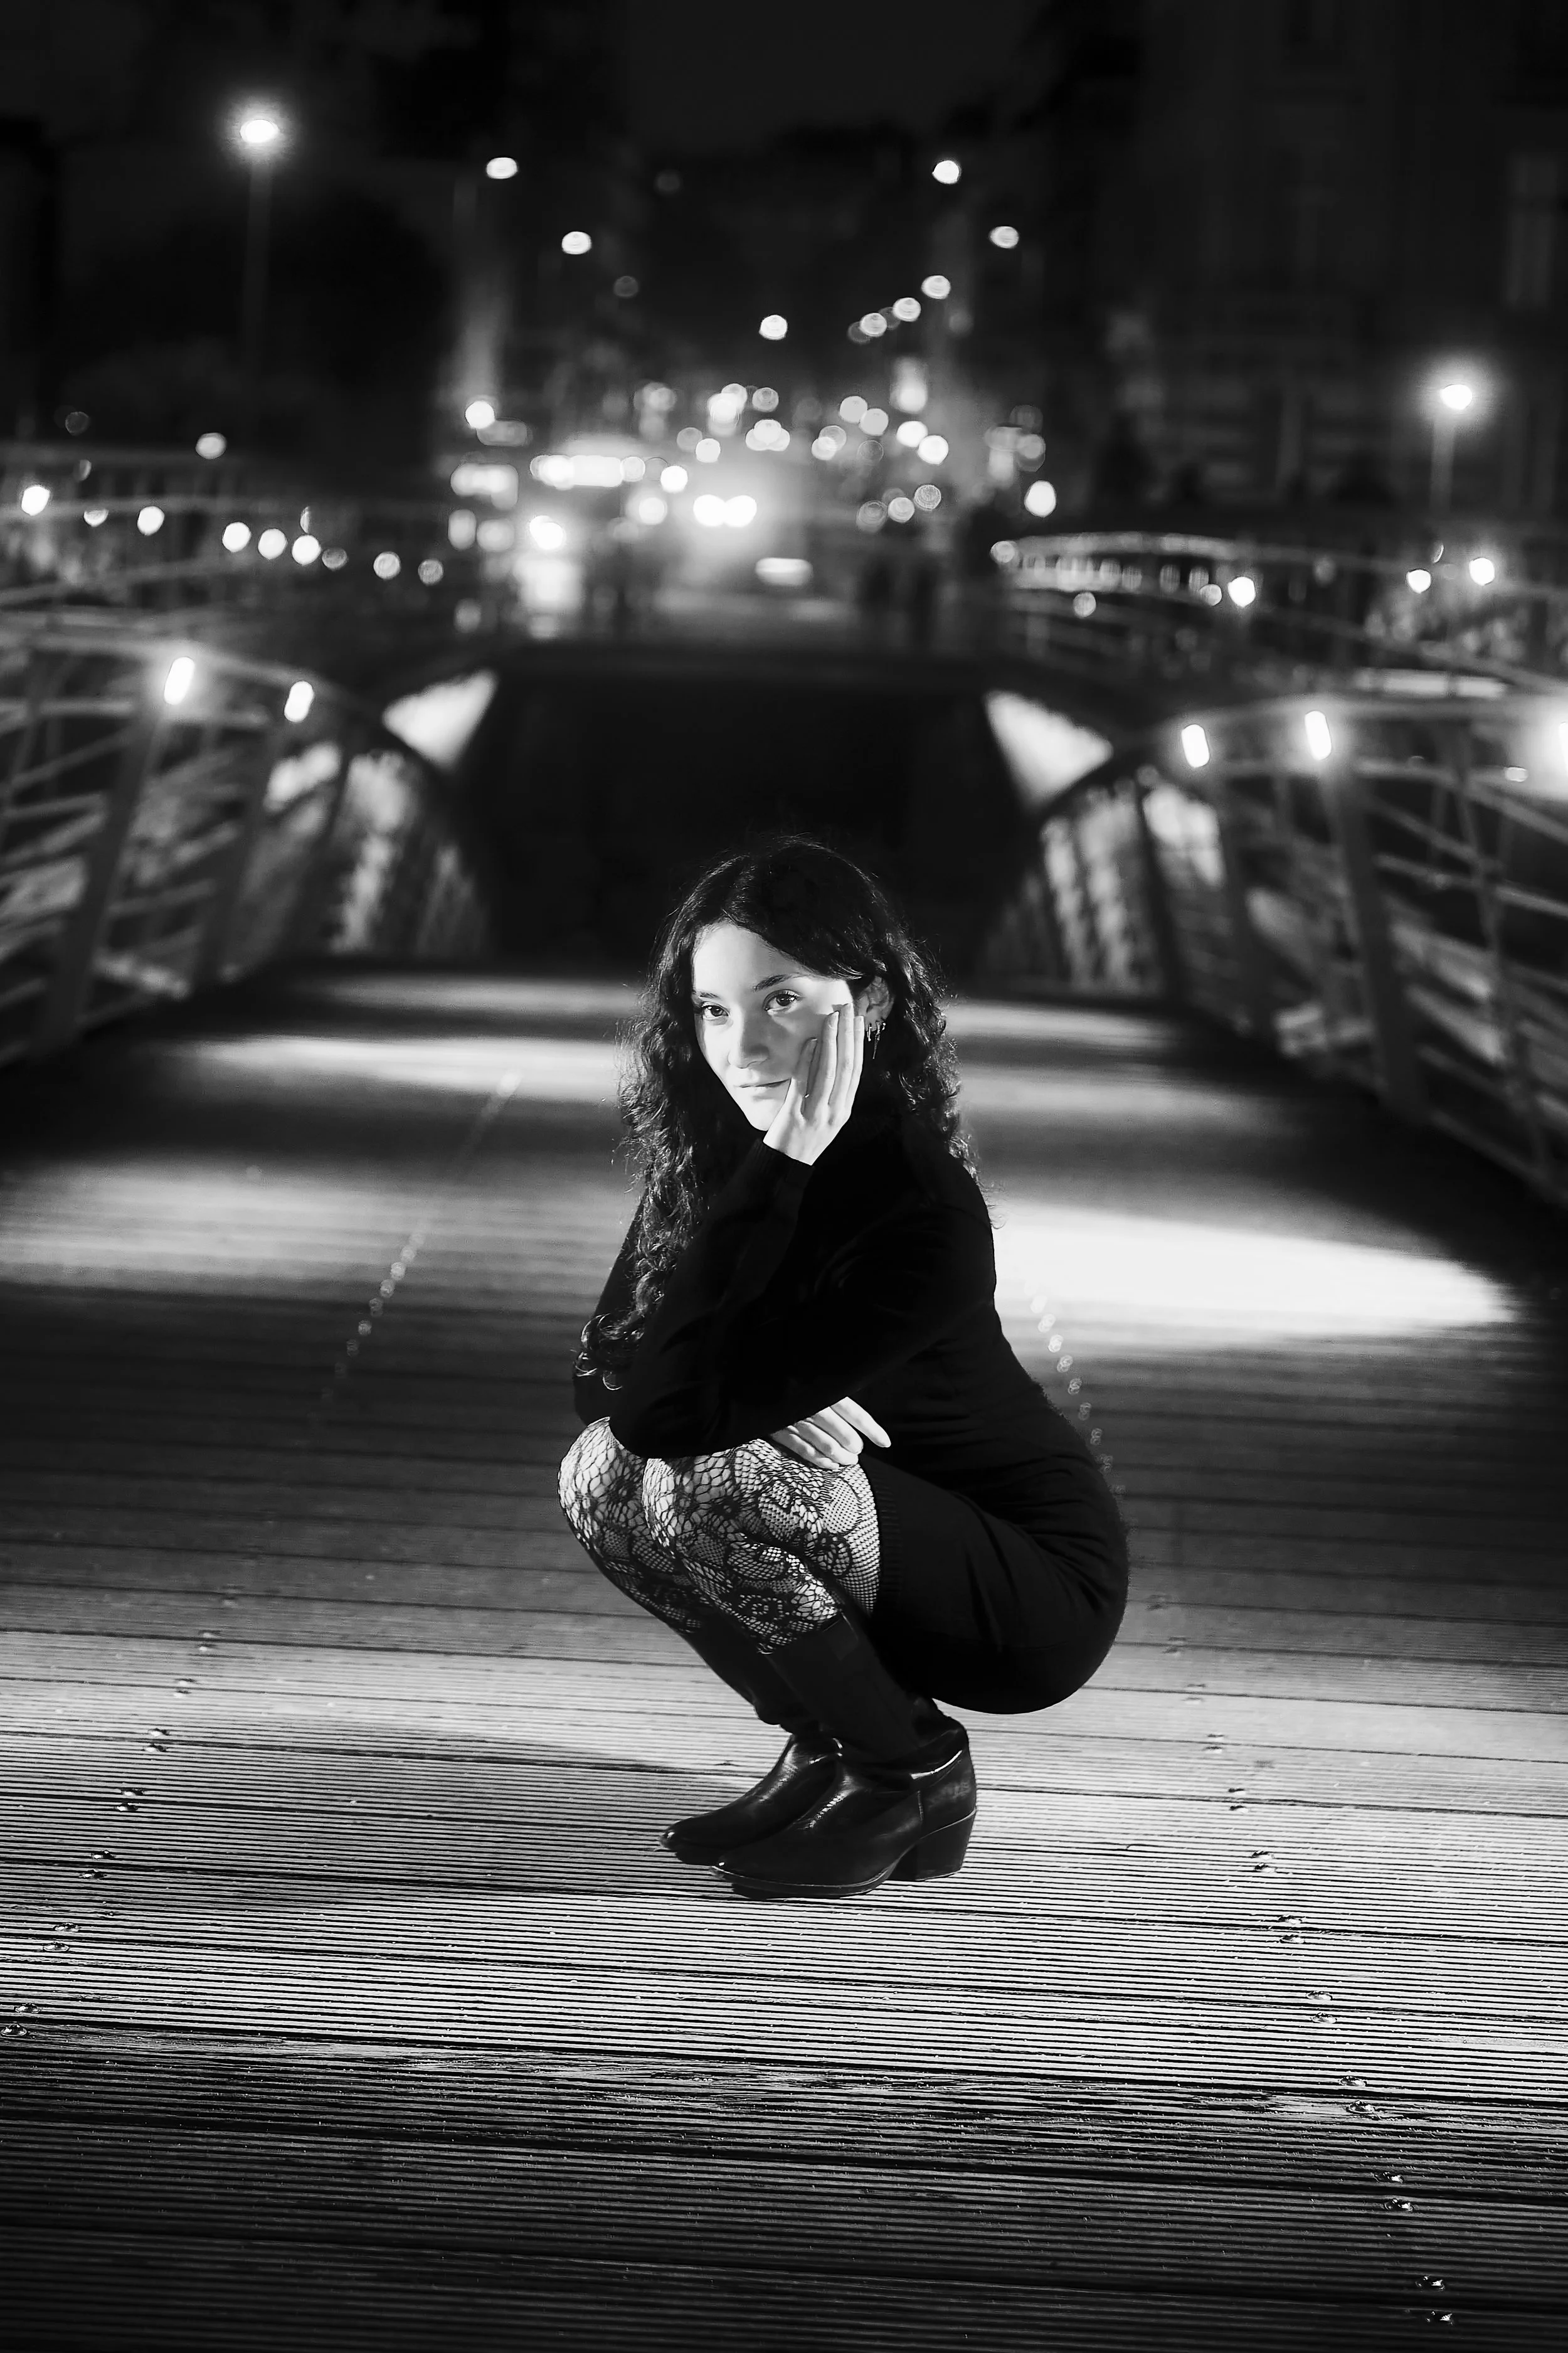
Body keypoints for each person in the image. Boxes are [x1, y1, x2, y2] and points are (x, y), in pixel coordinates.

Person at [559, 838, 1128, 1901]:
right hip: (870, 1522)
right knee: (598, 1477)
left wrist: (783, 1170)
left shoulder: (923, 1208)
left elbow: (665, 1414)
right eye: (713, 1009)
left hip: (1025, 1576)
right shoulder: (717, 1158)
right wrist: (754, 1392)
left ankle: (908, 1769)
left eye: (780, 1000)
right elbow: (609, 1381)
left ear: (865, 1004)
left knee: (713, 1475)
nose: (742, 1045)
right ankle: (825, 1742)